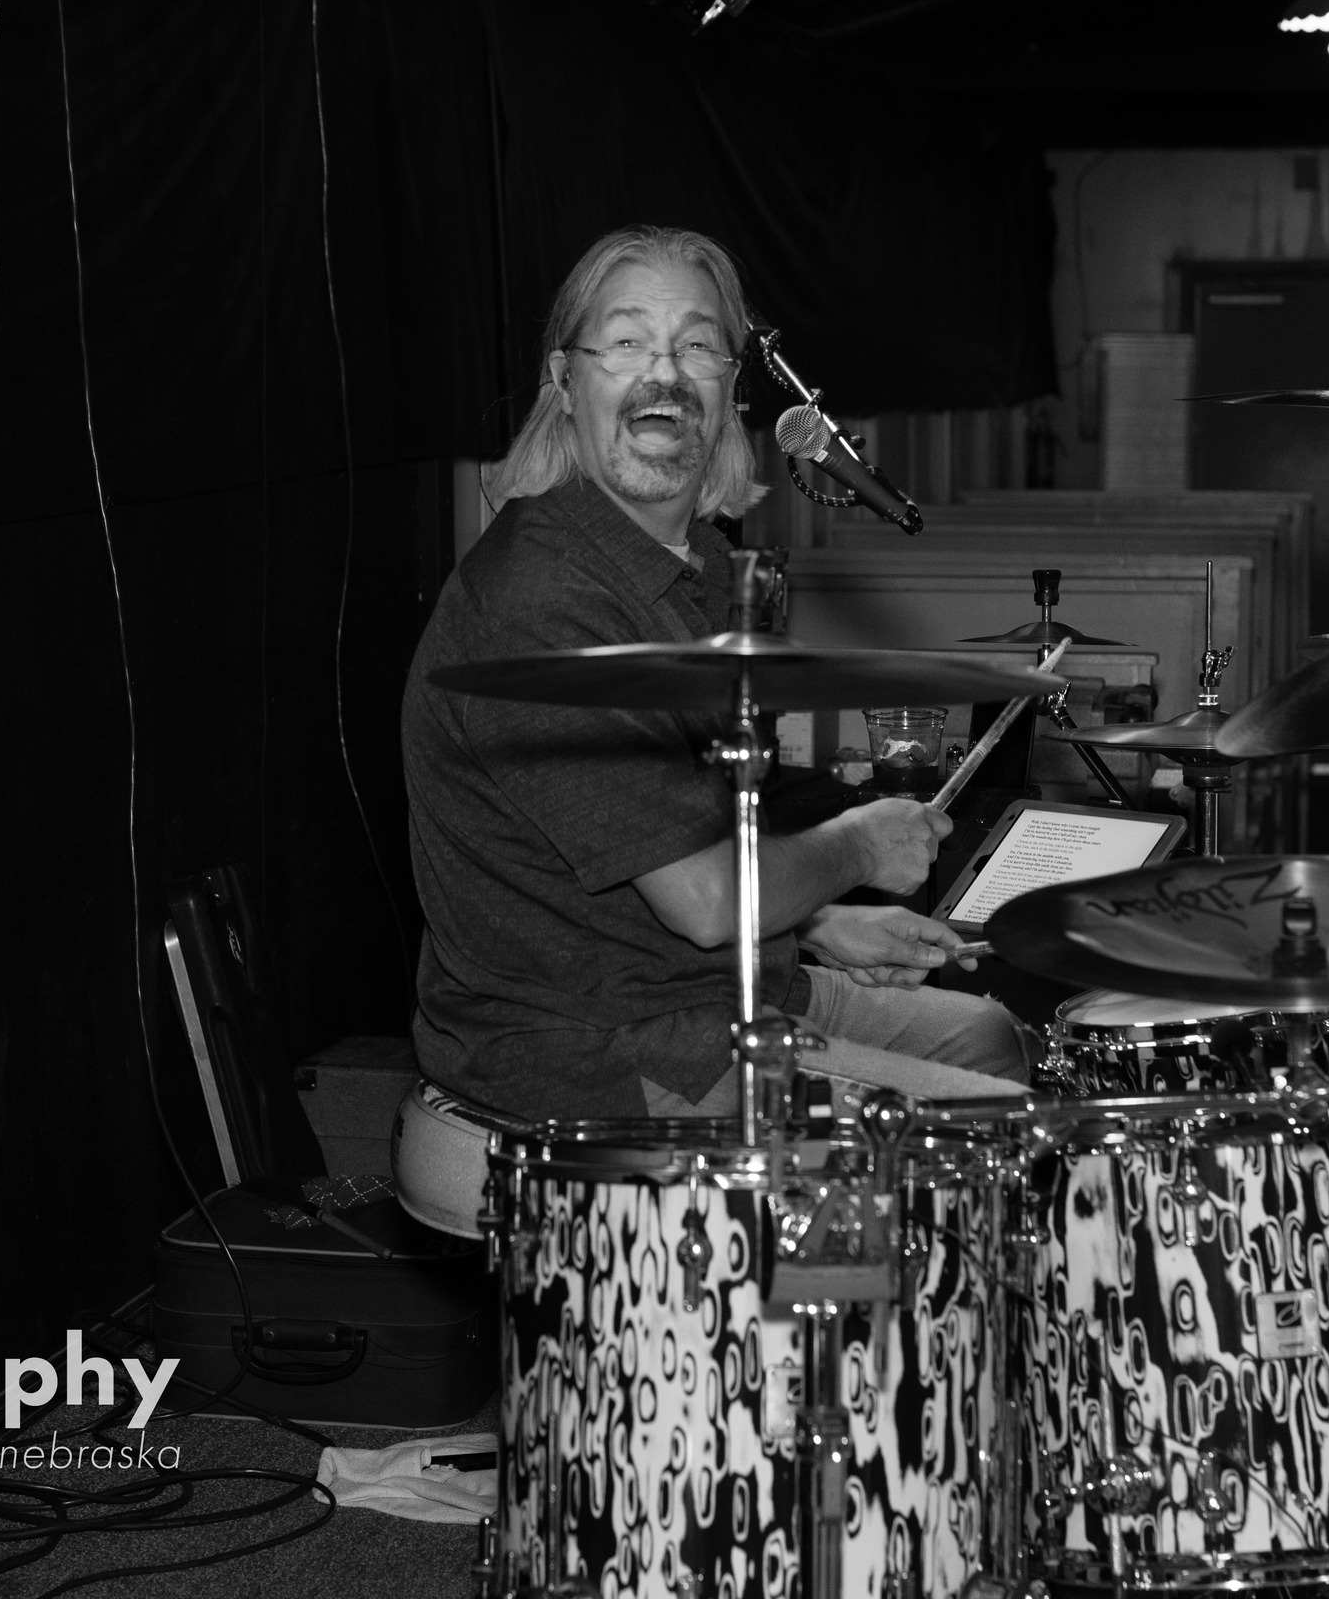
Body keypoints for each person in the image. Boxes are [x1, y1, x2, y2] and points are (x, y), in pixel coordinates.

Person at [398, 224, 1031, 1159]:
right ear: (564, 383)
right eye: (625, 342)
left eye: (696, 345)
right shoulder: (541, 598)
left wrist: (820, 923)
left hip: (702, 991)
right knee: (988, 1132)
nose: (663, 374)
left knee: (987, 1034)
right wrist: (860, 843)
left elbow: (662, 862)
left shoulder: (693, 567)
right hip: (598, 1050)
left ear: (732, 391)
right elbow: (703, 900)